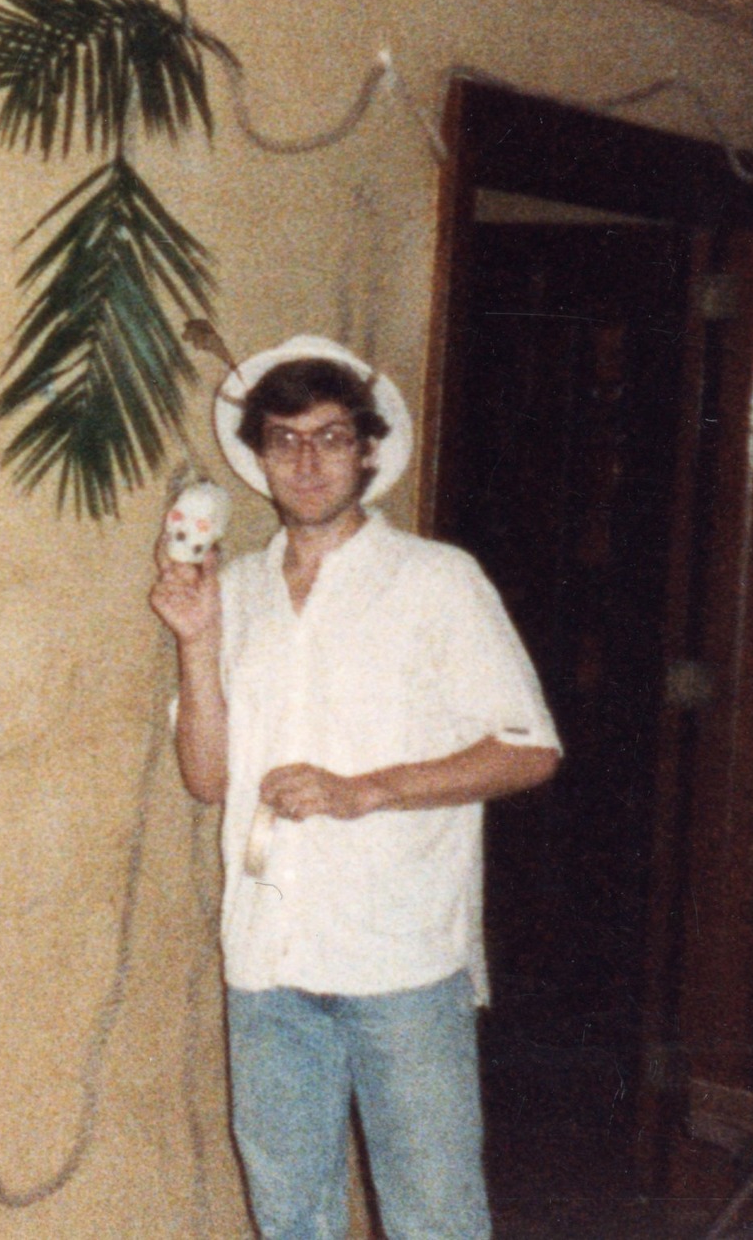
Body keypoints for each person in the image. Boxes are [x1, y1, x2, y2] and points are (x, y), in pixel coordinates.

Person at [150, 335, 560, 1240]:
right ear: (258, 459)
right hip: (267, 963)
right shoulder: (238, 589)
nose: (307, 461)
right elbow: (207, 779)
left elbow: (530, 750)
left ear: (369, 451)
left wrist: (366, 790)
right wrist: (195, 641)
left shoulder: (436, 580)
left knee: (434, 1223)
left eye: (331, 438)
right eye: (285, 439)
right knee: (292, 1221)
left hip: (400, 965)